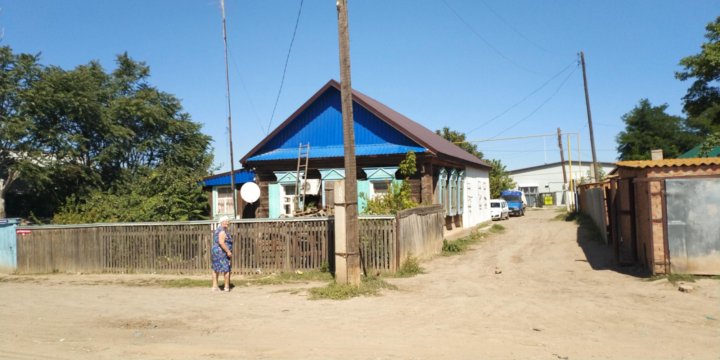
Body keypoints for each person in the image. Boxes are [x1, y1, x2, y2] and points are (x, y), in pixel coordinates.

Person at [211, 216, 233, 292]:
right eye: (226, 221)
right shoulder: (222, 231)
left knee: (215, 268)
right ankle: (226, 287)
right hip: (222, 252)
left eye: (228, 221)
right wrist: (228, 251)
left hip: (216, 252)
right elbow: (221, 242)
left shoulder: (218, 230)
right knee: (226, 269)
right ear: (222, 222)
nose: (227, 223)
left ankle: (215, 286)